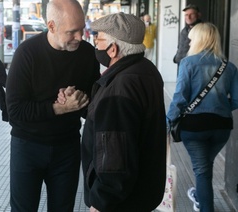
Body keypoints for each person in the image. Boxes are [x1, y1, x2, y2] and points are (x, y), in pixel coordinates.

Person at [5, 0, 100, 211]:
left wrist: (78, 99)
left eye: (82, 29)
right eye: (72, 31)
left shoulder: (87, 53)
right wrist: (59, 108)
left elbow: (92, 106)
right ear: (51, 26)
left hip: (67, 147)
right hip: (27, 146)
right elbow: (14, 111)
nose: (79, 37)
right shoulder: (27, 54)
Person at [80, 12, 167, 211]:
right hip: (142, 193)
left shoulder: (120, 87)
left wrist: (101, 202)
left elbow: (114, 157)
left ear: (113, 49)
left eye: (98, 39)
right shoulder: (146, 70)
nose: (95, 44)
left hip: (120, 203)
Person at [167, 22, 238, 212]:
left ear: (199, 40)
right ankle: (199, 195)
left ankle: (204, 205)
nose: (190, 41)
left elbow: (179, 98)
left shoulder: (188, 63)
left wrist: (167, 122)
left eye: (192, 38)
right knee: (205, 169)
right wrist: (221, 107)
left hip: (194, 128)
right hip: (222, 127)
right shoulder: (229, 67)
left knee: (202, 171)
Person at [173, 4, 202, 75]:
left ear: (198, 15)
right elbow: (180, 46)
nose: (188, 17)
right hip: (181, 64)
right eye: (186, 15)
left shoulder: (202, 30)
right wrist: (177, 57)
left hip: (193, 67)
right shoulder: (184, 30)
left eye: (191, 14)